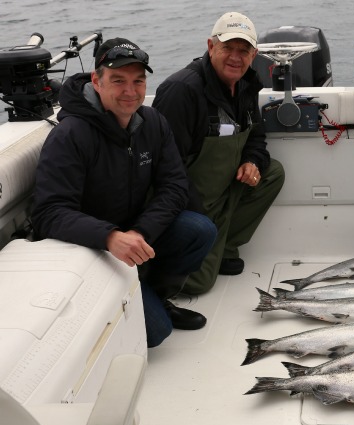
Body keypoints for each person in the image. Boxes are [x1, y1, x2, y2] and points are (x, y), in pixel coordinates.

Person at [31, 38, 217, 348]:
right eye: (118, 81)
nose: (130, 92)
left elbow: (174, 185)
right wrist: (110, 237)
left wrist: (141, 232)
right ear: (97, 80)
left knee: (200, 230)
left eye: (138, 81)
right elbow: (48, 213)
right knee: (157, 334)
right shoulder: (70, 135)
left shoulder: (153, 122)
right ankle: (126, 304)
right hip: (92, 248)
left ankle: (153, 294)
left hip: (131, 232)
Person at [152, 11, 285, 294]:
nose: (236, 57)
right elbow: (164, 170)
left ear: (255, 55)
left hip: (223, 192)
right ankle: (203, 246)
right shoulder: (181, 91)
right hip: (187, 204)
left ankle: (222, 247)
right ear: (211, 47)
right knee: (198, 285)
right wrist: (201, 224)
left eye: (244, 50)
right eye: (228, 48)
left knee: (272, 173)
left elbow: (256, 136)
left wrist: (252, 161)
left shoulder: (247, 84)